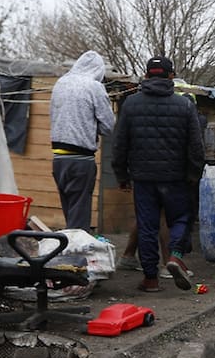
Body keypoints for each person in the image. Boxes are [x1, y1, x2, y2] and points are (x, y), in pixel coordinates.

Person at [111, 56, 205, 292]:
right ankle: (174, 256)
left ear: (145, 76)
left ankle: (150, 279)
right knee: (181, 218)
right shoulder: (184, 105)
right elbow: (196, 146)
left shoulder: (130, 104)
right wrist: (194, 173)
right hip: (176, 178)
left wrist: (122, 175)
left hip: (143, 178)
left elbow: (119, 144)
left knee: (147, 226)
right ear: (171, 76)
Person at [49, 51, 115, 232]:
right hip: (81, 160)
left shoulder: (60, 84)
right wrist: (91, 126)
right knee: (79, 220)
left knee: (70, 212)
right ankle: (75, 249)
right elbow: (108, 126)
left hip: (58, 160)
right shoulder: (94, 87)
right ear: (98, 70)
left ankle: (68, 244)